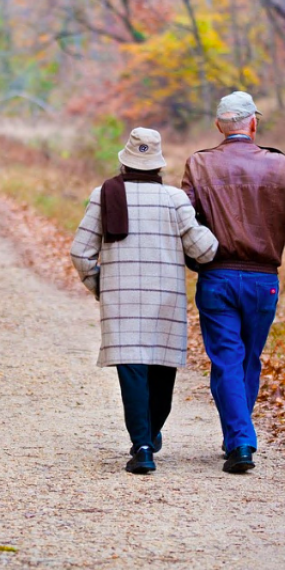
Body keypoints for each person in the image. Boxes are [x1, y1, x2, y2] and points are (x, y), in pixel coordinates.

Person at [181, 92, 285, 474]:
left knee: (227, 359)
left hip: (217, 276)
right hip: (263, 282)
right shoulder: (278, 166)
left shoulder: (199, 164)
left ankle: (238, 438)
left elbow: (182, 218)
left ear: (218, 127)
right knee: (246, 359)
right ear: (253, 124)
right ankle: (240, 438)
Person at [71, 127, 218, 474]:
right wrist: (209, 228)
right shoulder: (174, 199)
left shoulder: (103, 195)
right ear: (158, 166)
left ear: (124, 162)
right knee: (161, 372)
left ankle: (142, 446)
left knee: (132, 371)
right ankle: (149, 435)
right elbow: (205, 250)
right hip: (165, 299)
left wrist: (100, 286)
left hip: (121, 302)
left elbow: (81, 252)